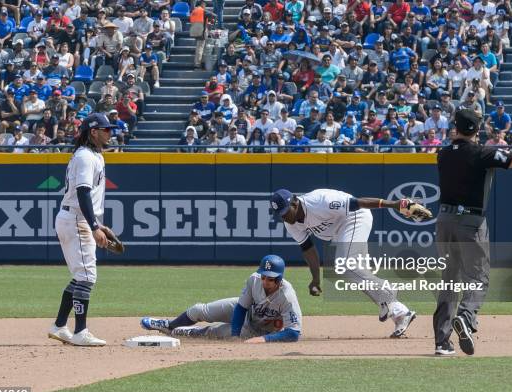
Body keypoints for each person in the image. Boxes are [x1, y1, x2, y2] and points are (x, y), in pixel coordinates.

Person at [433, 111, 512, 356]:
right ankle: (466, 318)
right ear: (477, 131)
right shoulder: (482, 153)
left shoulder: (443, 154)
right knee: (478, 276)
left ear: (455, 128)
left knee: (448, 280)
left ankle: (441, 341)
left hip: (444, 220)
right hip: (470, 220)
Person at [270, 188, 429, 337]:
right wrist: (316, 279)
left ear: (295, 202)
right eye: (280, 215)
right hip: (340, 231)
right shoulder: (290, 224)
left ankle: (387, 292)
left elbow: (358, 203)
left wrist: (394, 204)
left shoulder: (320, 200)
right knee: (359, 275)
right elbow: (308, 249)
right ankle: (401, 314)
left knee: (345, 265)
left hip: (355, 217)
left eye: (285, 212)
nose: (284, 217)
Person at [49, 113, 118, 347]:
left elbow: (88, 195)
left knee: (81, 276)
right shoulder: (86, 157)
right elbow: (83, 192)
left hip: (75, 218)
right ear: (93, 132)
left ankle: (59, 326)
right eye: (106, 129)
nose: (110, 132)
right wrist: (94, 226)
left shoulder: (92, 155)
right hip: (76, 219)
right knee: (87, 277)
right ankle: (80, 331)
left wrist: (99, 223)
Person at [141, 255, 302, 343]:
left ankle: (188, 331)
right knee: (199, 309)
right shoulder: (254, 279)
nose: (266, 281)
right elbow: (241, 308)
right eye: (264, 277)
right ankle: (169, 325)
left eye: (271, 279)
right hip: (246, 314)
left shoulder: (287, 297)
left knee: (214, 332)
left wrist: (263, 339)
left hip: (258, 330)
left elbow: (293, 333)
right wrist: (235, 334)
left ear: (279, 279)